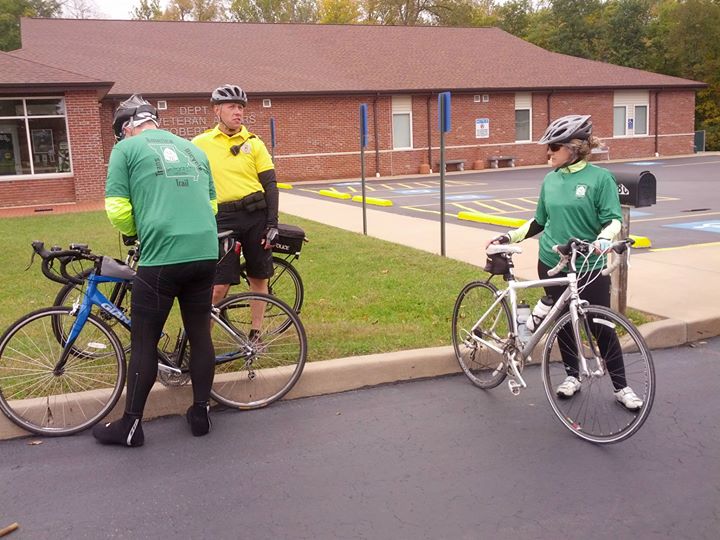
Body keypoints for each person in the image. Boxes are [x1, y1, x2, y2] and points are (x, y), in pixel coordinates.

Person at [486, 114, 643, 411]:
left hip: (589, 265)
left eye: (554, 146)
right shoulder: (550, 180)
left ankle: (622, 386)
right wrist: (508, 236)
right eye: (548, 147)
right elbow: (539, 221)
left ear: (574, 147)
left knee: (602, 327)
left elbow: (612, 220)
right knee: (564, 325)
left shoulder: (599, 178)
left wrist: (603, 241)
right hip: (551, 261)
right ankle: (572, 376)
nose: (548, 152)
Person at [93, 94, 219, 447]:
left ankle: (131, 426)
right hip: (205, 251)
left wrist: (135, 231)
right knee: (199, 334)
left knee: (144, 341)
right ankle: (200, 414)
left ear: (126, 128)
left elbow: (117, 208)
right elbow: (211, 203)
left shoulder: (125, 150)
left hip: (162, 256)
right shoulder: (194, 149)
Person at [191, 84, 279, 339]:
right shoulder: (200, 143)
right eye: (231, 106)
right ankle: (200, 342)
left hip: (255, 216)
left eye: (240, 107)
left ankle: (255, 333)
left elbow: (270, 185)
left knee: (258, 278)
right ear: (217, 110)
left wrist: (272, 224)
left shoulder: (254, 143)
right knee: (218, 286)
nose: (238, 112)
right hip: (222, 218)